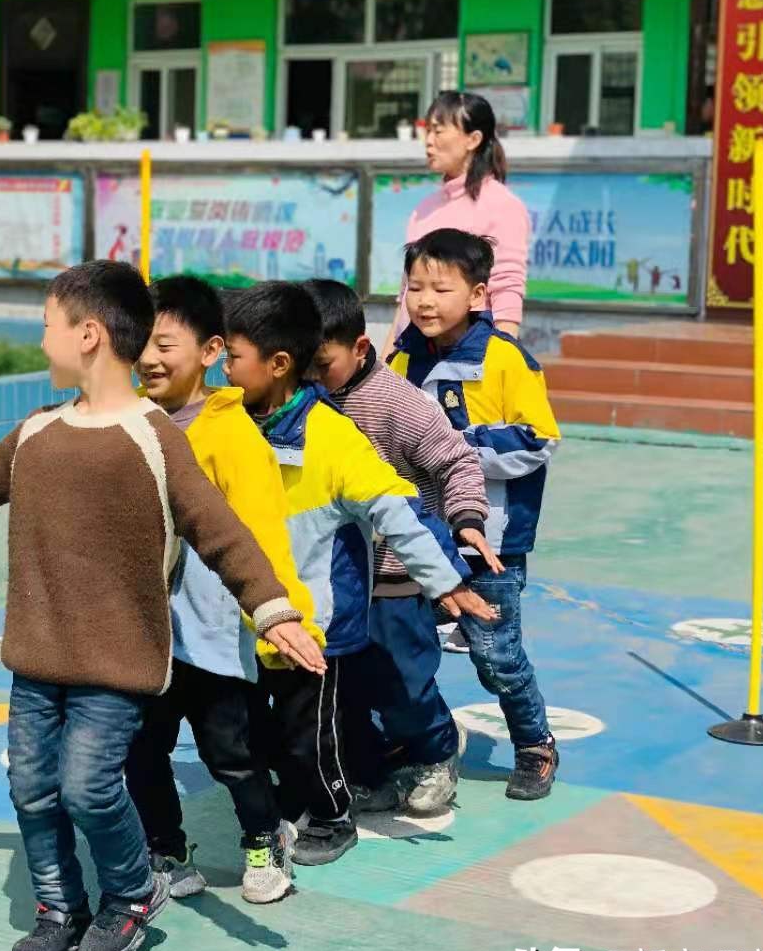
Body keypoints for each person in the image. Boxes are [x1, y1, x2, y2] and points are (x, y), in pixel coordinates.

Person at [0, 260, 324, 951]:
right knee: (31, 789)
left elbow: (220, 529)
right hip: (38, 658)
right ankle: (59, 907)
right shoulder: (40, 430)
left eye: (48, 326)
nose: (42, 343)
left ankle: (131, 894)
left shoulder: (152, 436)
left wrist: (272, 608)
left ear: (91, 335)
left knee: (89, 786)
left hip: (116, 662)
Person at [222, 282, 495, 863]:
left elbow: (401, 504)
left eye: (232, 357)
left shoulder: (342, 430)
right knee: (272, 727)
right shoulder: (230, 423)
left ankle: (346, 805)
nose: (222, 367)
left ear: (278, 364)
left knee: (353, 711)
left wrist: (448, 577)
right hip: (255, 616)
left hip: (332, 612)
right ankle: (325, 786)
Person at [125, 276, 325, 906]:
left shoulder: (234, 435)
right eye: (142, 344)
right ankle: (167, 850)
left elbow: (263, 537)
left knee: (229, 754)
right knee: (143, 750)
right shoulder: (130, 421)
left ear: (211, 351)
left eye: (165, 344)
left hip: (211, 633)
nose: (149, 358)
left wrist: (280, 620)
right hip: (145, 632)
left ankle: (265, 840)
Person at [306, 278, 495, 813]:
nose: (313, 378)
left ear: (360, 348)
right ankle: (373, 767)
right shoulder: (303, 403)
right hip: (334, 576)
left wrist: (465, 519)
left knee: (404, 682)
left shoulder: (398, 405)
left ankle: (437, 752)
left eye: (324, 365)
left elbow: (457, 460)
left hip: (396, 575)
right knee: (346, 689)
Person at [388, 228, 562, 800]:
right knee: (405, 650)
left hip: (492, 543)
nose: (425, 301)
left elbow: (538, 439)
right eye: (415, 287)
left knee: (496, 656)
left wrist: (455, 442)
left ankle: (535, 744)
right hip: (419, 537)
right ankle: (415, 744)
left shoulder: (505, 359)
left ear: (480, 294)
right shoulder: (401, 358)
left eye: (441, 288)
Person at [386, 91, 530, 348]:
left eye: (438, 131)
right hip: (414, 357)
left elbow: (506, 294)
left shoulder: (503, 206)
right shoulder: (424, 209)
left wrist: (502, 366)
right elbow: (406, 296)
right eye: (427, 131)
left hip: (468, 361)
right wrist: (387, 365)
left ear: (473, 139)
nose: (428, 141)